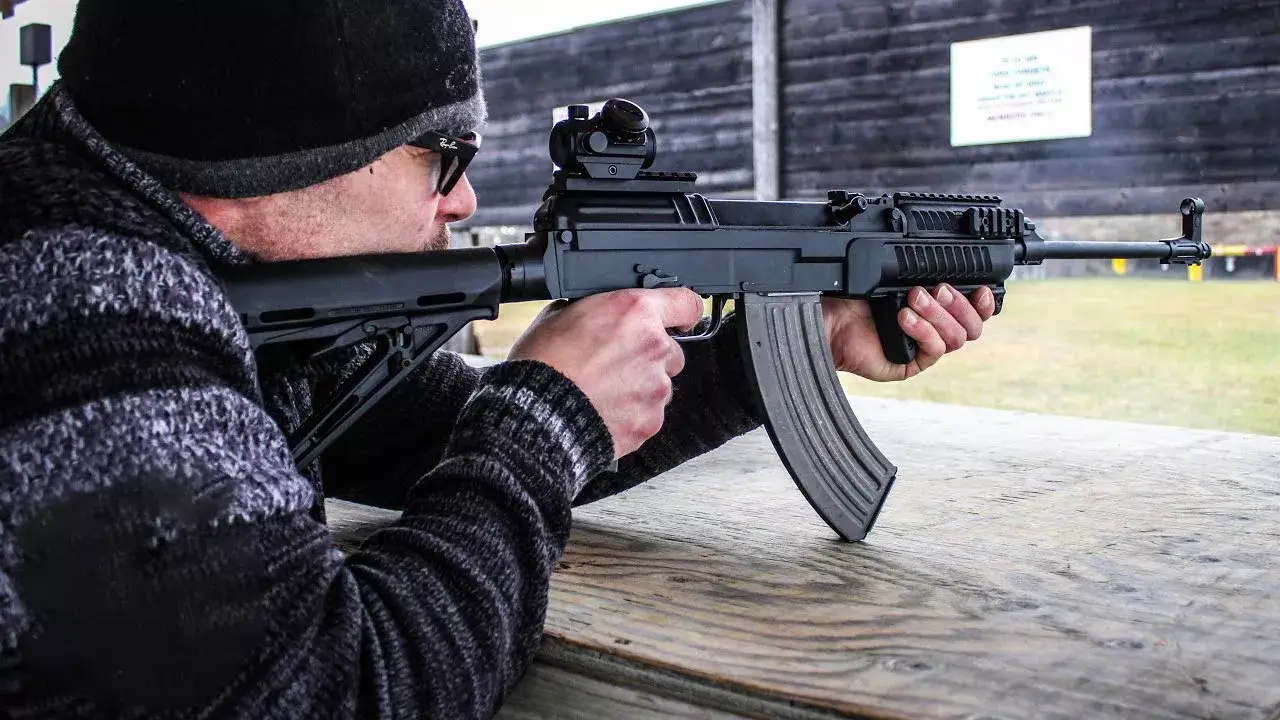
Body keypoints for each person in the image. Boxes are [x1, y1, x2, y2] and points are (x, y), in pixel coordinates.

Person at [0, 1, 996, 717]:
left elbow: (437, 442)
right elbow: (337, 688)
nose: (464, 200)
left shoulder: (157, 242)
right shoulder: (81, 317)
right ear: (277, 155)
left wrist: (776, 350)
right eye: (444, 155)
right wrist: (543, 417)